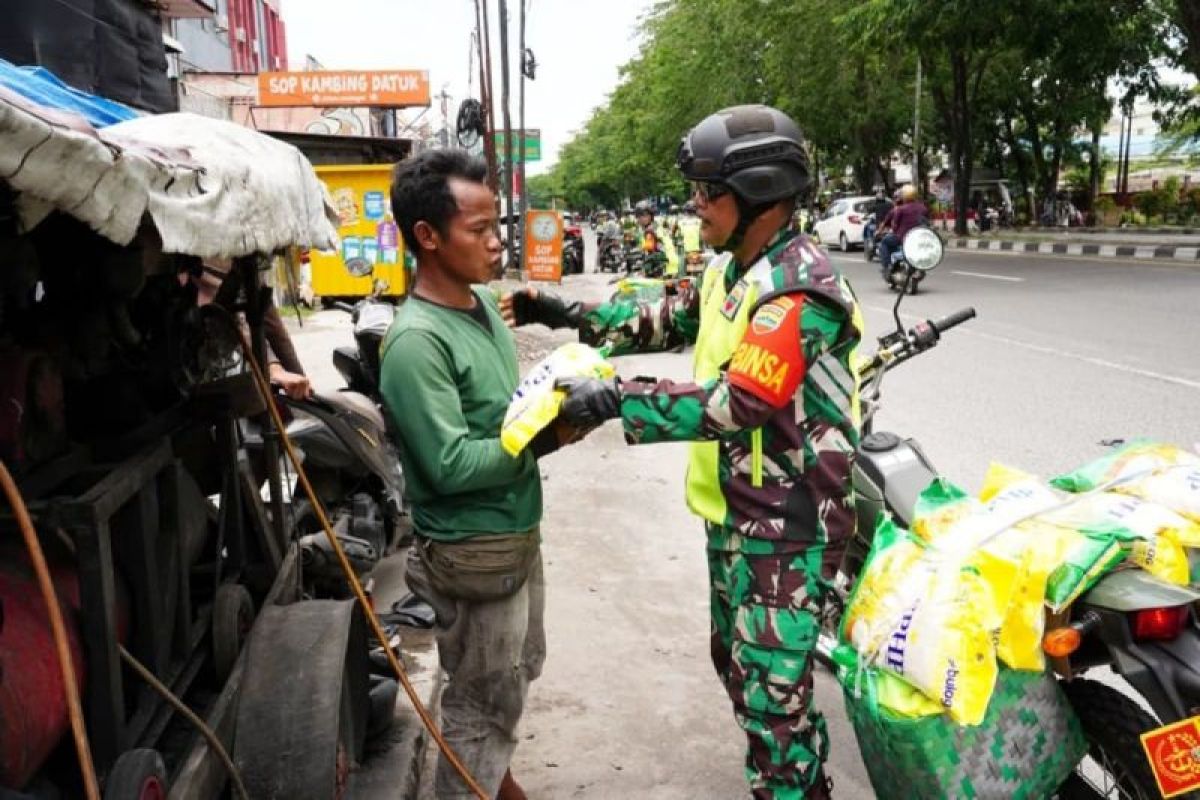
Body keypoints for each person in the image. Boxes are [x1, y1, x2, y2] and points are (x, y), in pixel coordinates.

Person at [506, 105, 863, 799]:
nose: (694, 205)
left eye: (707, 191)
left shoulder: (797, 289)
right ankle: (802, 777)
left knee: (771, 709)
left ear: (755, 191)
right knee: (740, 669)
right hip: (736, 515)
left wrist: (615, 400)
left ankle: (793, 786)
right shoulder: (735, 269)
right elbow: (667, 315)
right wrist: (566, 311)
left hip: (789, 526)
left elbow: (740, 402)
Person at [379, 148, 584, 800]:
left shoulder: (483, 308)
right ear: (428, 237)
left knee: (509, 683)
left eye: (500, 226)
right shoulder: (417, 343)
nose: (498, 244)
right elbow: (448, 465)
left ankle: (499, 785)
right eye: (480, 230)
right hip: (474, 554)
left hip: (515, 535)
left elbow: (505, 418)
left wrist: (560, 407)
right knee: (478, 708)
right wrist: (547, 433)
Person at [876, 184, 928, 275]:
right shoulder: (923, 208)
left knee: (884, 242)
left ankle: (886, 267)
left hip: (902, 238)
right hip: (919, 238)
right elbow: (927, 223)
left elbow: (895, 226)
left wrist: (883, 231)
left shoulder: (900, 209)